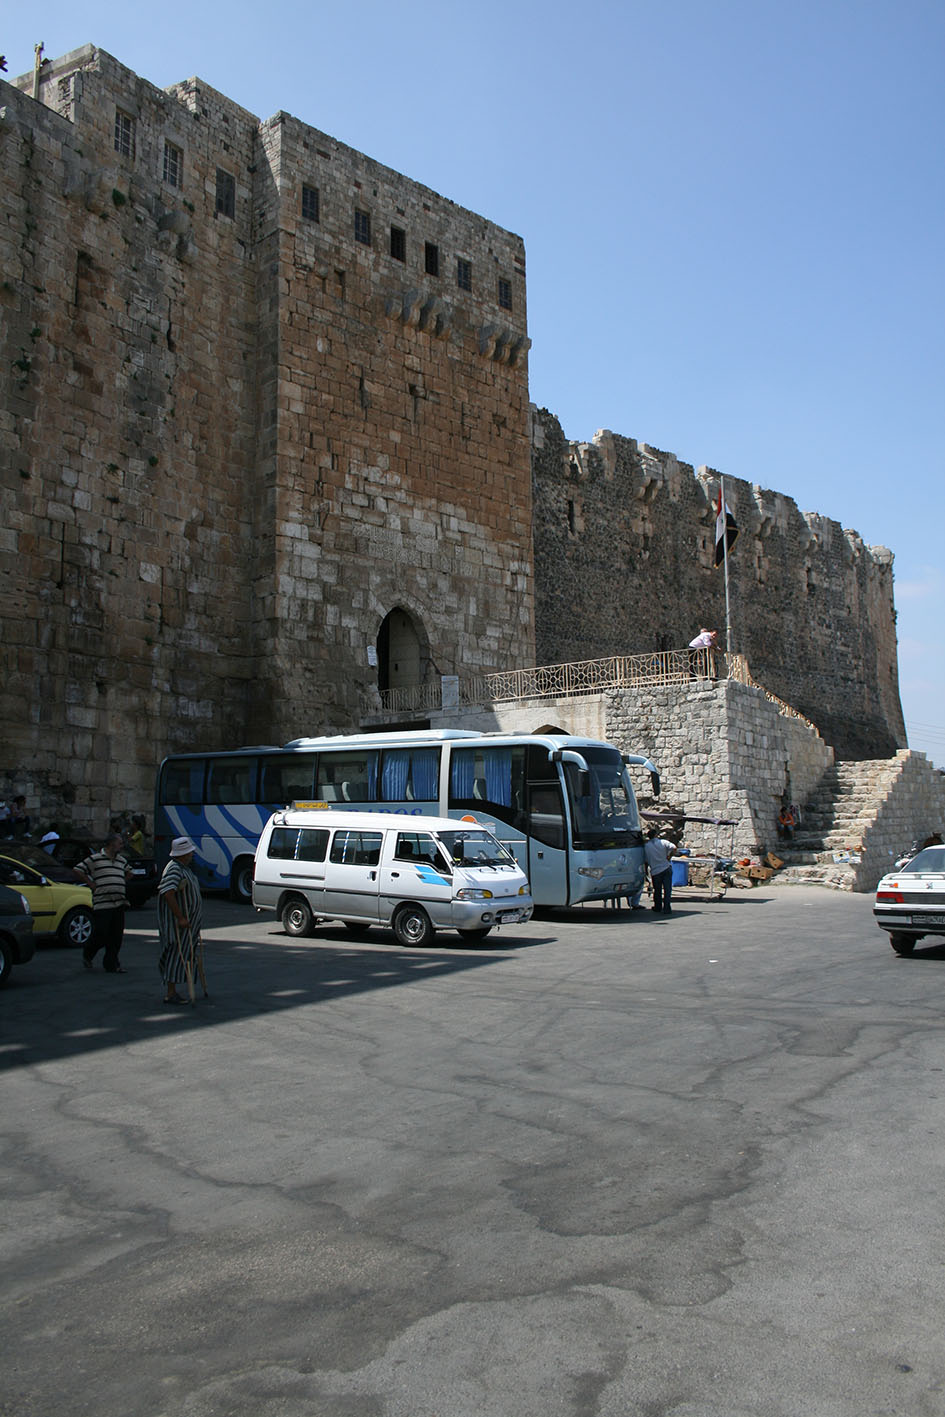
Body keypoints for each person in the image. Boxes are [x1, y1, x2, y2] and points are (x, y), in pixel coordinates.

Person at [75, 832, 133, 972]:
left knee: (116, 935)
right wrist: (91, 883)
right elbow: (78, 869)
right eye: (119, 843)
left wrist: (120, 882)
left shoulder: (121, 860)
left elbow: (130, 872)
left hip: (119, 902)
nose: (121, 846)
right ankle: (89, 953)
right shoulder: (95, 859)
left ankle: (112, 964)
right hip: (103, 902)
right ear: (111, 844)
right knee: (101, 932)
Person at [158, 836, 204, 1005]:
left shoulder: (183, 868)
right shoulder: (174, 869)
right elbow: (168, 893)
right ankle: (170, 993)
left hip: (189, 925)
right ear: (183, 854)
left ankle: (174, 991)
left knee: (184, 955)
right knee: (176, 956)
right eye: (189, 852)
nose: (192, 854)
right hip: (179, 926)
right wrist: (180, 917)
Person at [644, 828, 677, 915]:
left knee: (657, 890)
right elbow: (674, 848)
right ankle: (667, 908)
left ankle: (658, 907)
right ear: (656, 835)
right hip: (666, 867)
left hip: (655, 871)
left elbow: (645, 861)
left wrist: (646, 872)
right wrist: (669, 856)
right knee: (667, 890)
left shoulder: (646, 847)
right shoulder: (663, 842)